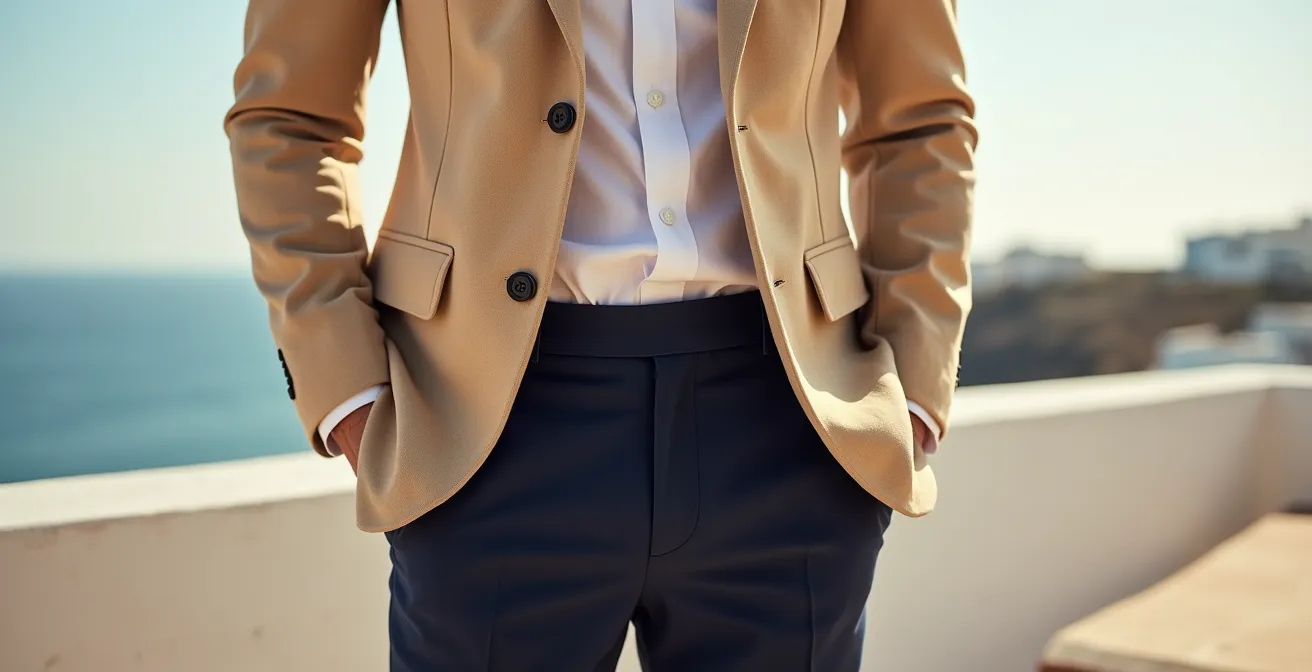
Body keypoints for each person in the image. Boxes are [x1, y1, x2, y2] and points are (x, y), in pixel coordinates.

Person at [226, 0, 975, 669]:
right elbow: (290, 117)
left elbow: (918, 120)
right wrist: (346, 388)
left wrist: (916, 376)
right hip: (486, 430)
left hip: (790, 424)